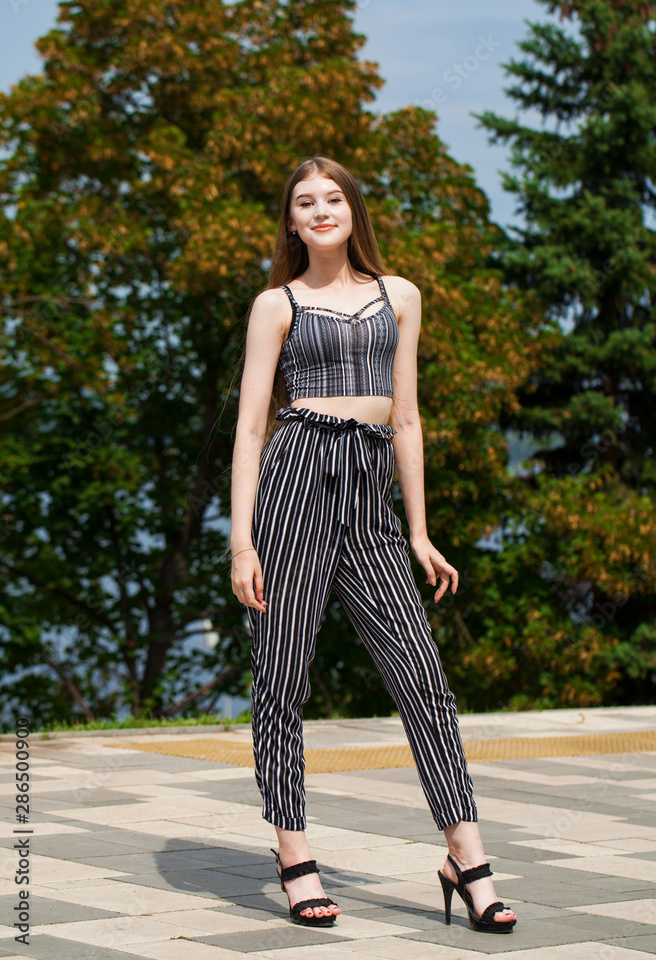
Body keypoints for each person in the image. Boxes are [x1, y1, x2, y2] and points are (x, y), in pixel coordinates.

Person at [229, 155, 518, 934]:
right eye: (303, 203)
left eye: (332, 199)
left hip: (370, 492)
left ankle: (466, 857)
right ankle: (294, 853)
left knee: (420, 677)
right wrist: (240, 543)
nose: (320, 211)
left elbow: (408, 418)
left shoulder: (401, 296)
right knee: (281, 676)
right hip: (293, 480)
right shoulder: (276, 304)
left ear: (353, 210)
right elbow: (252, 426)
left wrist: (419, 530)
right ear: (290, 222)